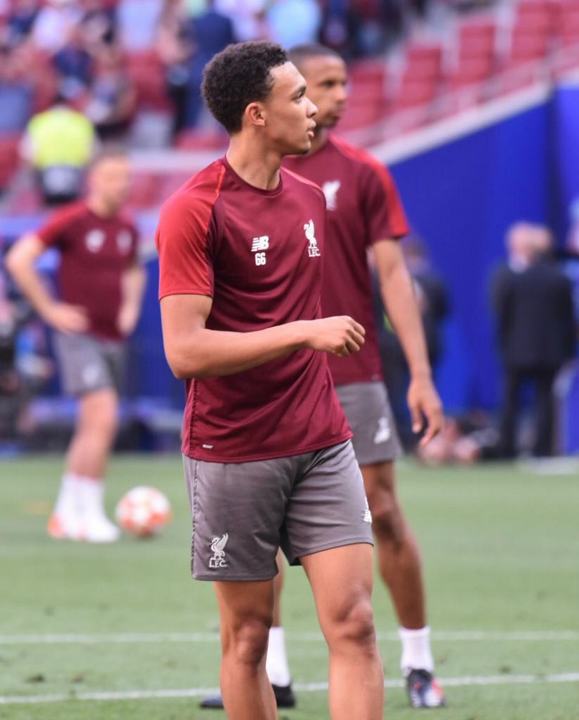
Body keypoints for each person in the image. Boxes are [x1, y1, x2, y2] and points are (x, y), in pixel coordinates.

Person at [200, 42, 446, 712]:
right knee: (259, 550)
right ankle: (272, 669)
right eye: (317, 86)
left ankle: (418, 661)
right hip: (262, 389)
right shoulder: (216, 197)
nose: (333, 99)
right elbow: (188, 339)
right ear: (263, 106)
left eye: (336, 85)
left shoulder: (359, 173)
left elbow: (392, 275)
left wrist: (419, 373)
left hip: (351, 373)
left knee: (382, 514)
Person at [156, 41, 385, 720]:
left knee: (355, 623)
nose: (313, 108)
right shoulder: (194, 209)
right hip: (233, 450)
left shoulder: (310, 198)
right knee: (250, 637)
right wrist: (302, 333)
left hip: (321, 439)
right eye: (298, 96)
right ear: (256, 115)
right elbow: (184, 351)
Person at [5, 149, 146, 542]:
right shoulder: (73, 219)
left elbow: (134, 268)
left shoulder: (127, 225)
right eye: (114, 176)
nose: (123, 185)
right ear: (94, 180)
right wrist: (49, 309)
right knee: (103, 416)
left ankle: (67, 512)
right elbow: (20, 259)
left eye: (126, 177)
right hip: (80, 336)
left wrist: (131, 307)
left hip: (112, 337)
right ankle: (90, 512)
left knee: (92, 424)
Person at [492, 222, 576, 458]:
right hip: (550, 350)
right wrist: (567, 350)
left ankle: (507, 448)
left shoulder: (511, 279)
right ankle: (542, 449)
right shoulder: (559, 278)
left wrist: (504, 343)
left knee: (511, 400)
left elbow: (502, 313)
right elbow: (567, 319)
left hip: (516, 349)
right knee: (545, 400)